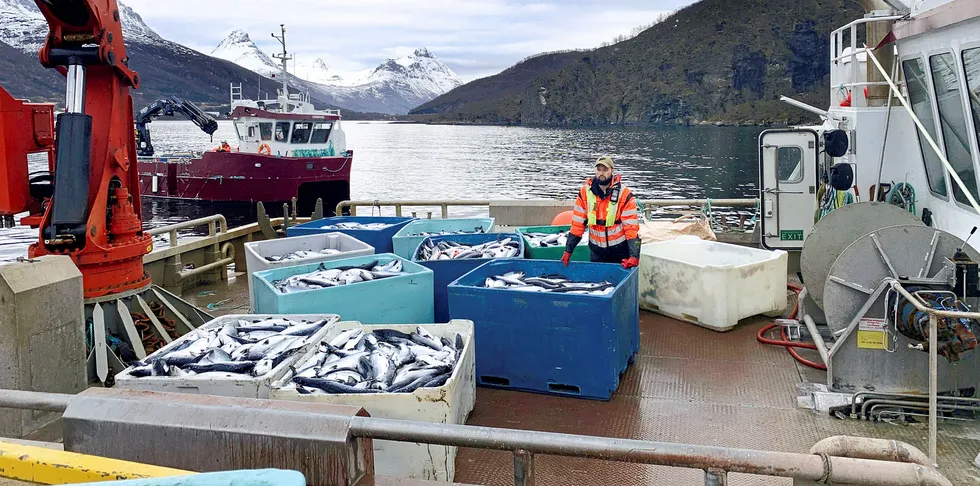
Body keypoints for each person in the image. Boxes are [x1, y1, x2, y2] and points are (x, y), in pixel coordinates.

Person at [562, 156, 641, 268]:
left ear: (612, 171)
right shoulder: (584, 192)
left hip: (620, 252)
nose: (601, 173)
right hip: (596, 252)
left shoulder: (625, 194)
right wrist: (568, 250)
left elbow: (631, 227)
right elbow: (578, 224)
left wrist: (634, 257)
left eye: (605, 170)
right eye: (599, 170)